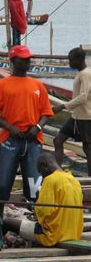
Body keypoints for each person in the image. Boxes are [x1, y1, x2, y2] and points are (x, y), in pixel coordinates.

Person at [0, 45, 54, 216]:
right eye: (24, 59)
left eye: (29, 58)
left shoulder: (38, 85)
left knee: (34, 185)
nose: (28, 61)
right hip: (9, 140)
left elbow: (46, 113)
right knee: (1, 185)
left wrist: (37, 127)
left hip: (33, 141)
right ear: (13, 61)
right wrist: (10, 128)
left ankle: (37, 220)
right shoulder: (1, 85)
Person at [4, 152, 83, 246]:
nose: (41, 175)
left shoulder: (50, 180)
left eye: (40, 172)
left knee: (6, 222)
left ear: (43, 165)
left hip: (52, 235)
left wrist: (33, 208)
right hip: (73, 234)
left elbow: (45, 210)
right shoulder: (74, 180)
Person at [53, 47, 91, 175]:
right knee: (57, 140)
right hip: (76, 116)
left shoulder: (86, 74)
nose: (69, 63)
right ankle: (57, 173)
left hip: (86, 117)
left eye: (71, 60)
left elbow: (83, 96)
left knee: (88, 149)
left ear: (80, 59)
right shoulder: (80, 73)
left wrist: (63, 106)